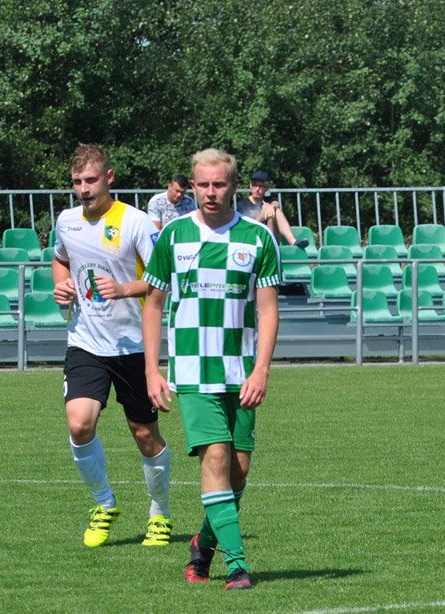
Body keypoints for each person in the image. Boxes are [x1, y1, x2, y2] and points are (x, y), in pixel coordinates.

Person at [143, 148, 281, 591]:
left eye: (219, 184)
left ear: (233, 187)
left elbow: (268, 310)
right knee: (216, 459)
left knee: (238, 470)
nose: (210, 191)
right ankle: (238, 566)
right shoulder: (174, 236)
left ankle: (202, 546)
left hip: (241, 371)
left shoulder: (258, 239)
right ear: (192, 185)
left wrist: (262, 370)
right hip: (192, 371)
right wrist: (152, 370)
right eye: (202, 184)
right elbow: (153, 304)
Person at [51, 143, 174, 548]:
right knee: (79, 423)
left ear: (109, 177)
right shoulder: (67, 221)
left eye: (90, 180)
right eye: (76, 182)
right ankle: (104, 503)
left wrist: (123, 289)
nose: (83, 189)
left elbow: (162, 277)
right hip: (85, 341)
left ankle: (159, 512)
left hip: (133, 345)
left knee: (144, 435)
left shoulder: (136, 222)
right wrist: (61, 285)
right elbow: (61, 260)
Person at [235, 169, 309, 249]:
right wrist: (262, 216)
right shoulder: (242, 205)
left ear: (266, 188)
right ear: (250, 185)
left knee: (276, 211)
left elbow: (276, 203)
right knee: (271, 212)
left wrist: (271, 207)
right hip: (252, 240)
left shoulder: (269, 200)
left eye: (261, 186)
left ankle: (293, 241)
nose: (257, 189)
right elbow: (245, 229)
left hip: (271, 238)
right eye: (254, 185)